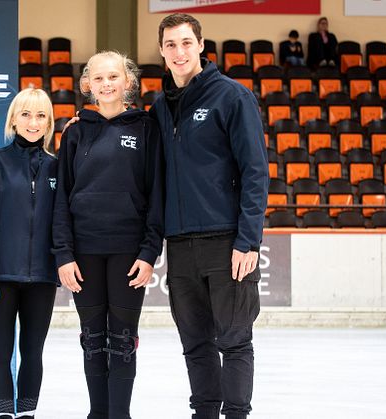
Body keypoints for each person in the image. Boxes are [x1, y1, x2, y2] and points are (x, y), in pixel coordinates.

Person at [151, 14, 268, 419]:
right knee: (195, 342)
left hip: (226, 242)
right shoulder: (160, 106)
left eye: (186, 43)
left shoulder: (232, 96)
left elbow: (255, 171)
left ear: (201, 45)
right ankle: (203, 413)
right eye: (171, 45)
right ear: (162, 51)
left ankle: (236, 414)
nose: (179, 52)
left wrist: (248, 240)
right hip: (180, 245)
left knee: (234, 340)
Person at [52, 51, 163, 419]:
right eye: (98, 79)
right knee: (93, 341)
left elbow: (155, 197)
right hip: (84, 254)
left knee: (122, 342)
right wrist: (64, 254)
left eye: (113, 77)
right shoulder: (74, 132)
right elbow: (61, 199)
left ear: (128, 82)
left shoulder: (147, 129)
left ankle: (120, 415)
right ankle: (97, 414)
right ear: (87, 85)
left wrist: (149, 253)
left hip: (129, 254)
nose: (106, 84)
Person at [0, 88, 59, 419]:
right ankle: (4, 415)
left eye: (40, 116)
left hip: (43, 279)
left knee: (33, 352)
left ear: (48, 122)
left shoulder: (57, 167)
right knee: (0, 352)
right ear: (13, 119)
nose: (33, 122)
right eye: (26, 114)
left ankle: (27, 415)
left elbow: (63, 224)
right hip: (1, 277)